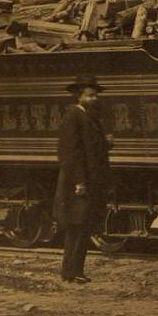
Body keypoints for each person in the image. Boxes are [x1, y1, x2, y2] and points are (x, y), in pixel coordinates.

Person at [55, 75, 112, 284]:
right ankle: (71, 272)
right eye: (89, 95)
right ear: (79, 97)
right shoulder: (73, 116)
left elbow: (90, 148)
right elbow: (70, 152)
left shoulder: (88, 116)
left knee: (82, 227)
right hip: (78, 183)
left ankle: (74, 271)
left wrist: (107, 144)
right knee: (76, 228)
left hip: (87, 180)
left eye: (95, 95)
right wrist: (79, 181)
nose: (94, 98)